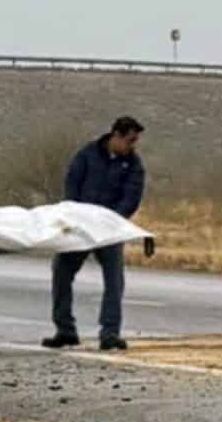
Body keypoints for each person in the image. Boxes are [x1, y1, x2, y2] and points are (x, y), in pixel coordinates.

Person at [46, 116, 147, 352]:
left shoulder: (133, 165)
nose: (133, 146)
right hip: (80, 227)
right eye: (130, 140)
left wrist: (109, 221)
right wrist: (74, 217)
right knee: (61, 273)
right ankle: (65, 330)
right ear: (116, 136)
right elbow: (72, 186)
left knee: (114, 281)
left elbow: (131, 198)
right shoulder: (87, 155)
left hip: (108, 230)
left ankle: (110, 333)